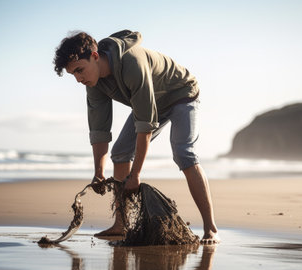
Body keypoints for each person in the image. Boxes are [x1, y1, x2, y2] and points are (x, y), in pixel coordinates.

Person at [54, 30, 220, 244]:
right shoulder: (93, 83)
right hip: (150, 103)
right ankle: (121, 225)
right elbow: (99, 131)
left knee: (183, 153)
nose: (78, 79)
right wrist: (98, 173)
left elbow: (145, 126)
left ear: (95, 56)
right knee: (121, 153)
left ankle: (211, 228)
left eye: (79, 70)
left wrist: (136, 174)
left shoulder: (132, 63)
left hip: (182, 94)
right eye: (73, 75)